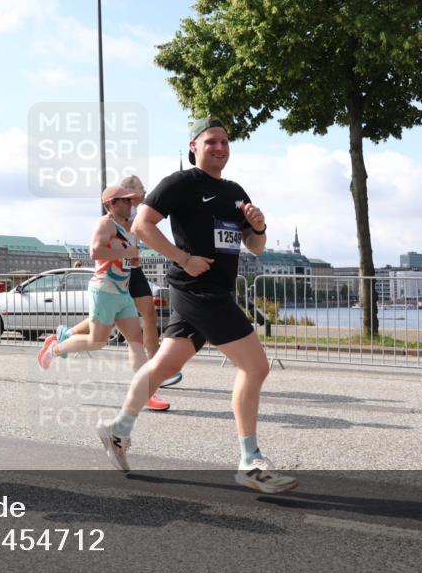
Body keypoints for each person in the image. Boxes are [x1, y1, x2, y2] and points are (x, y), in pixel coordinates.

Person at [96, 117, 297, 494]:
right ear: (194, 147)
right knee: (255, 366)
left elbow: (254, 248)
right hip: (197, 288)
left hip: (216, 290)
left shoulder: (236, 192)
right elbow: (142, 225)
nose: (219, 148)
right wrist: (182, 257)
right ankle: (250, 460)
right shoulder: (180, 183)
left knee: (163, 366)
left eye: (224, 142)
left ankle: (117, 429)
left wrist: (258, 227)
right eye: (211, 142)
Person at [36, 185, 169, 412]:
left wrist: (132, 260)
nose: (130, 204)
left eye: (130, 201)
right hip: (104, 290)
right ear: (111, 204)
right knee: (98, 342)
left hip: (122, 292)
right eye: (124, 201)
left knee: (136, 341)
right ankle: (56, 348)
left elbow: (126, 258)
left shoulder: (128, 228)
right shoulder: (105, 223)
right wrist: (125, 254)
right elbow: (95, 251)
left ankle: (146, 393)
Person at [53, 175, 184, 390]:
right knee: (102, 336)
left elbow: (142, 233)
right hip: (108, 283)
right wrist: (128, 250)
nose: (142, 195)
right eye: (138, 191)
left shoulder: (133, 212)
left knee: (141, 326)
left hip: (128, 276)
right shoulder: (112, 219)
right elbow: (96, 250)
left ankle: (150, 378)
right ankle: (63, 341)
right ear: (117, 200)